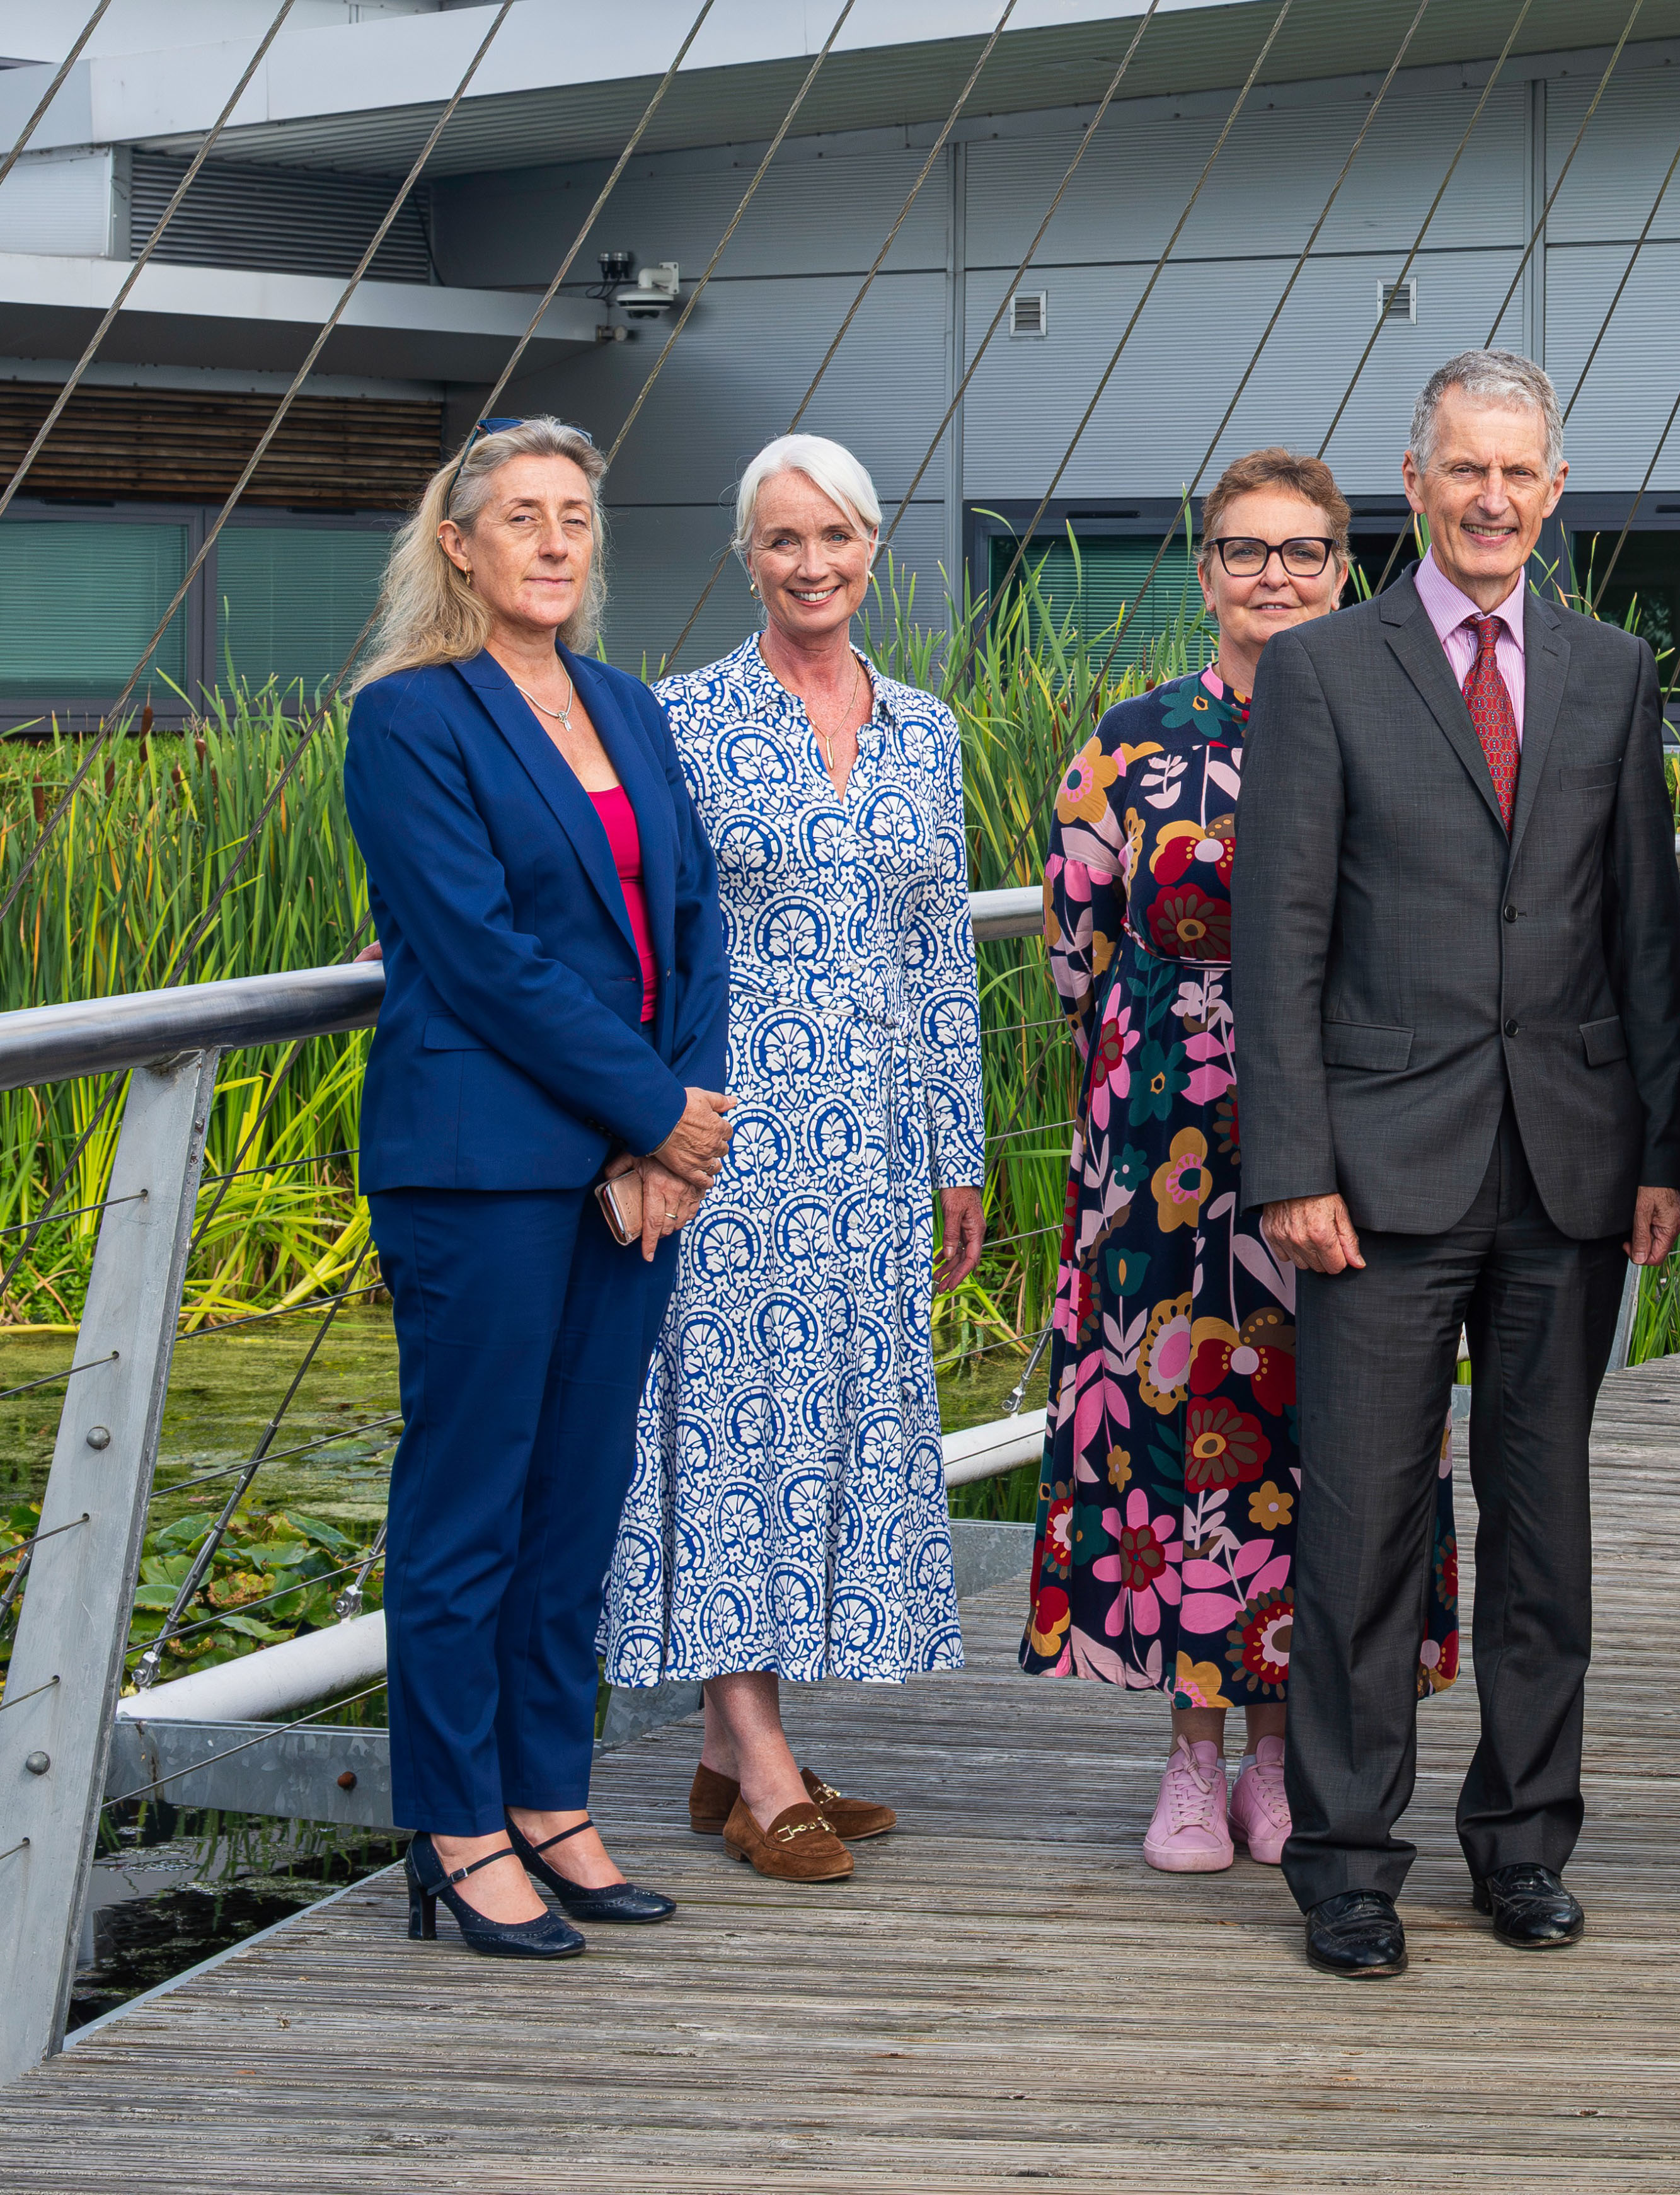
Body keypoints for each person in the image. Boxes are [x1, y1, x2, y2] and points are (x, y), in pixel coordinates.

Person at [1236, 352, 1680, 1981]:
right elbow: (1275, 936)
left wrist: (1658, 1145)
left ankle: (1523, 1838)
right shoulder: (1323, 672)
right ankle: (1345, 1860)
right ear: (1414, 484)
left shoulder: (1612, 668)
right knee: (1360, 1526)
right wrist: (1287, 1158)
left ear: (1552, 491)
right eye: (1462, 470)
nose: (1492, 498)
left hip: (1566, 1168)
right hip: (1372, 1173)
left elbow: (1644, 926)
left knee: (1543, 1527)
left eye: (1520, 473)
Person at [1032, 447, 1466, 1876]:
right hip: (1164, 1151)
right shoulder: (1130, 740)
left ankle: (1288, 1752)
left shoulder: (1399, 720)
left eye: (1302, 550)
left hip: (1351, 1137)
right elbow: (1074, 954)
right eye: (1244, 549)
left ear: (1348, 565)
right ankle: (1188, 1756)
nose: (1273, 573)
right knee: (1174, 1446)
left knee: (1320, 1442)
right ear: (1204, 566)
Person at [340, 415, 730, 1959]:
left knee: (577, 1500)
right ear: (460, 543)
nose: (556, 541)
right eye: (522, 517)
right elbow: (480, 953)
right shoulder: (410, 721)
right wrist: (654, 1114)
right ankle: (453, 1822)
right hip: (483, 1165)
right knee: (469, 1506)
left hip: (628, 1174)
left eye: (575, 515)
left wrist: (671, 1131)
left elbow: (691, 921)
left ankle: (549, 1795)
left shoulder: (628, 707)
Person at [600, 434, 987, 1888]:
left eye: (834, 536)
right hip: (728, 1137)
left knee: (832, 1428)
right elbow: (629, 924)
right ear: (744, 557)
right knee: (725, 1435)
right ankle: (762, 1766)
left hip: (879, 1142)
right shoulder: (679, 720)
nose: (811, 563)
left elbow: (937, 948)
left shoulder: (925, 730)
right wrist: (642, 1121)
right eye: (782, 541)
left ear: (873, 548)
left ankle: (723, 1753)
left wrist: (958, 1145)